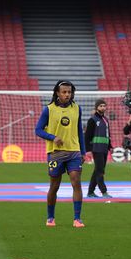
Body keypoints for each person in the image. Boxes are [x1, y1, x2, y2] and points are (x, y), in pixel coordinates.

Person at [35, 80, 86, 227]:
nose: (67, 94)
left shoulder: (77, 108)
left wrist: (82, 151)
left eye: (69, 92)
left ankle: (77, 218)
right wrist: (53, 138)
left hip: (74, 152)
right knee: (54, 186)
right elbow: (38, 130)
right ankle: (50, 217)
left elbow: (79, 132)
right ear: (57, 93)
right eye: (64, 92)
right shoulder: (49, 109)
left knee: (76, 182)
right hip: (55, 153)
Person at [83, 98, 112, 198]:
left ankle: (90, 191)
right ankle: (104, 192)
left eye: (104, 106)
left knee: (97, 170)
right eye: (101, 106)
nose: (103, 108)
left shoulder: (106, 120)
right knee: (100, 171)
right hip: (96, 149)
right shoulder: (92, 120)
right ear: (96, 108)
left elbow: (108, 134)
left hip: (104, 149)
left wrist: (110, 146)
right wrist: (88, 150)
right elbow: (87, 136)